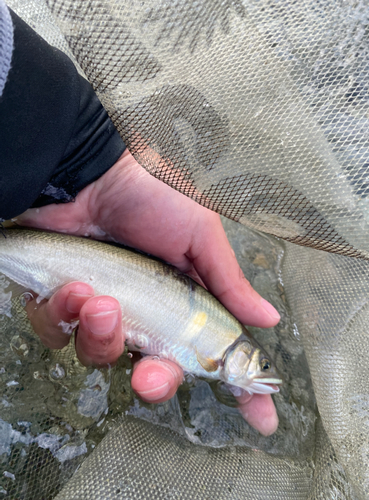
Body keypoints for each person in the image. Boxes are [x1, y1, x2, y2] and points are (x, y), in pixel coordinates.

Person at [0, 2, 280, 435]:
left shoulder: (218, 355)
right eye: (259, 364)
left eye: (261, 366)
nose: (262, 373)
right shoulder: (215, 354)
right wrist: (83, 156)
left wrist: (80, 154)